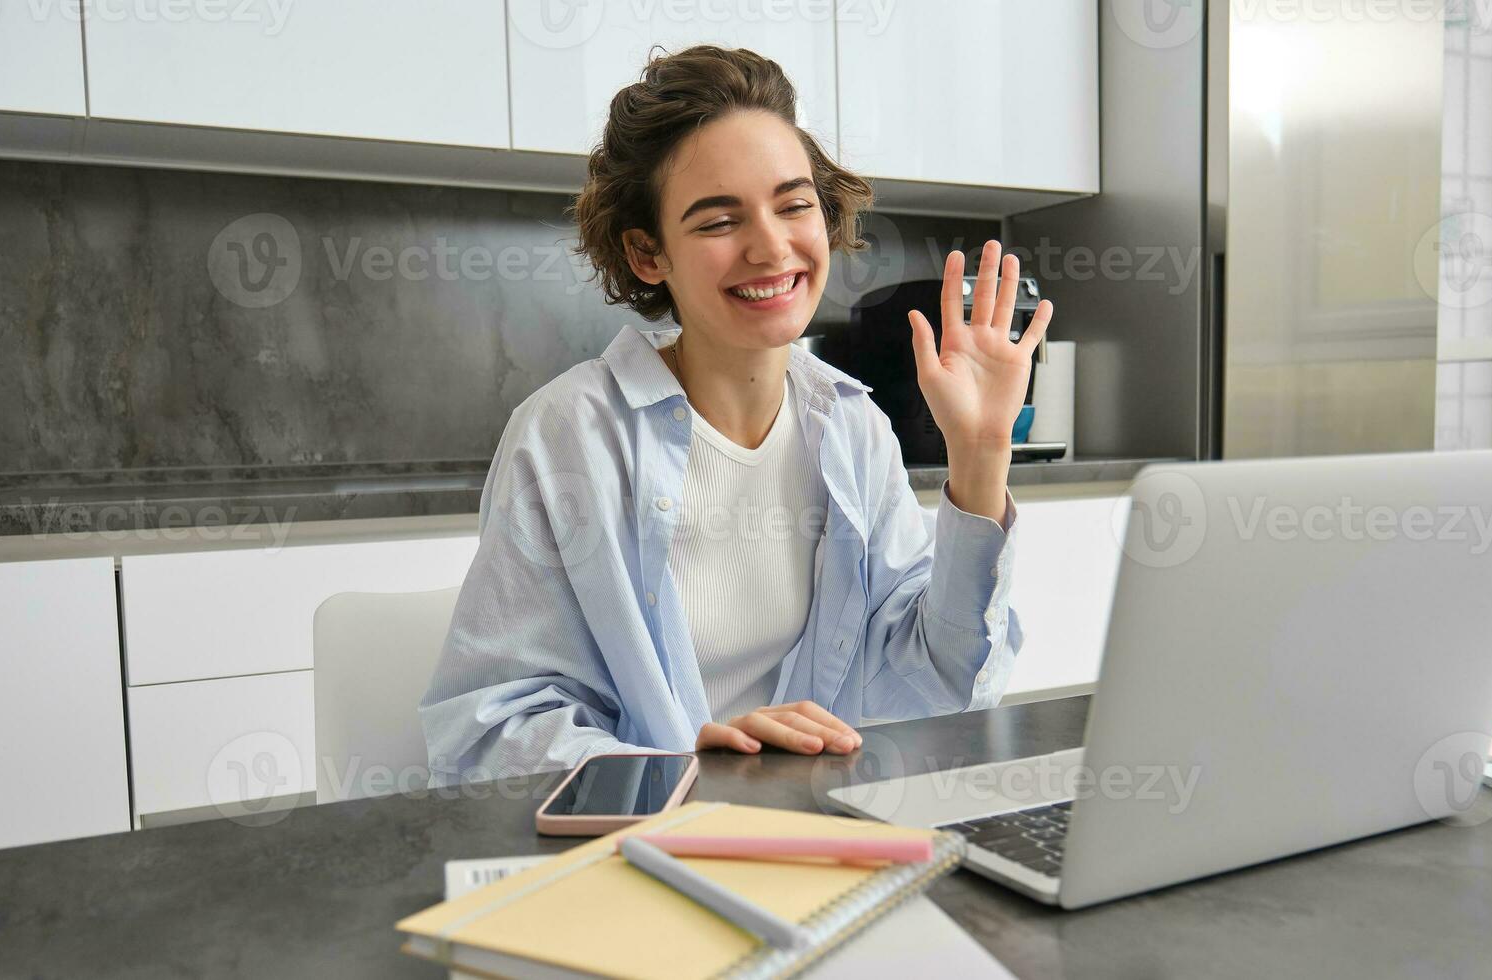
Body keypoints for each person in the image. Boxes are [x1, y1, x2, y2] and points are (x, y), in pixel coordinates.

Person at [421, 45, 1048, 781]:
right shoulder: (568, 437)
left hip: (813, 828)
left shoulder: (850, 426)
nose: (771, 246)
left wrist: (979, 457)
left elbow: (942, 684)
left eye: (793, 205)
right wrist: (681, 767)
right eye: (719, 221)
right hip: (643, 850)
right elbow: (487, 738)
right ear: (648, 253)